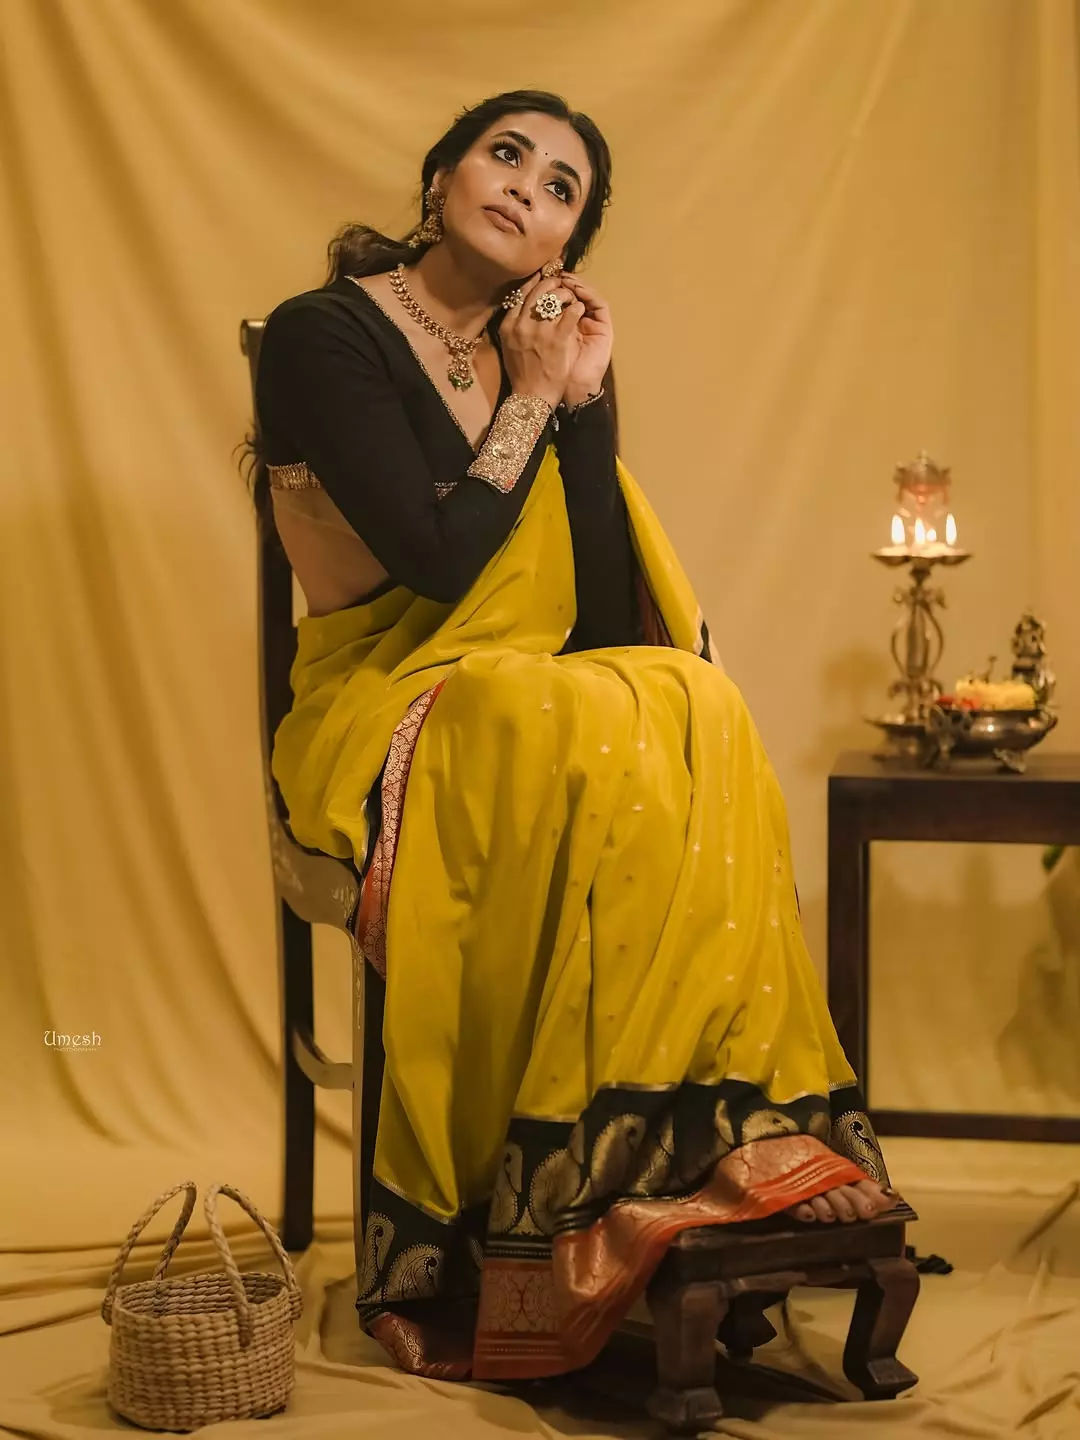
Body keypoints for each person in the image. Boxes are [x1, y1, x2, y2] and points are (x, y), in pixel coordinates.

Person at [251, 88, 896, 1383]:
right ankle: (519, 1215)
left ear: (565, 247)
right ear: (441, 173)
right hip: (378, 696)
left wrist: (584, 407)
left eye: (560, 189)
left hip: (526, 695)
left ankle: (695, 1146)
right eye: (506, 155)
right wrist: (534, 397)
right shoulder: (327, 335)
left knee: (694, 699)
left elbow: (600, 622)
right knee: (532, 705)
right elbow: (438, 566)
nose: (524, 188)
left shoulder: (540, 364)